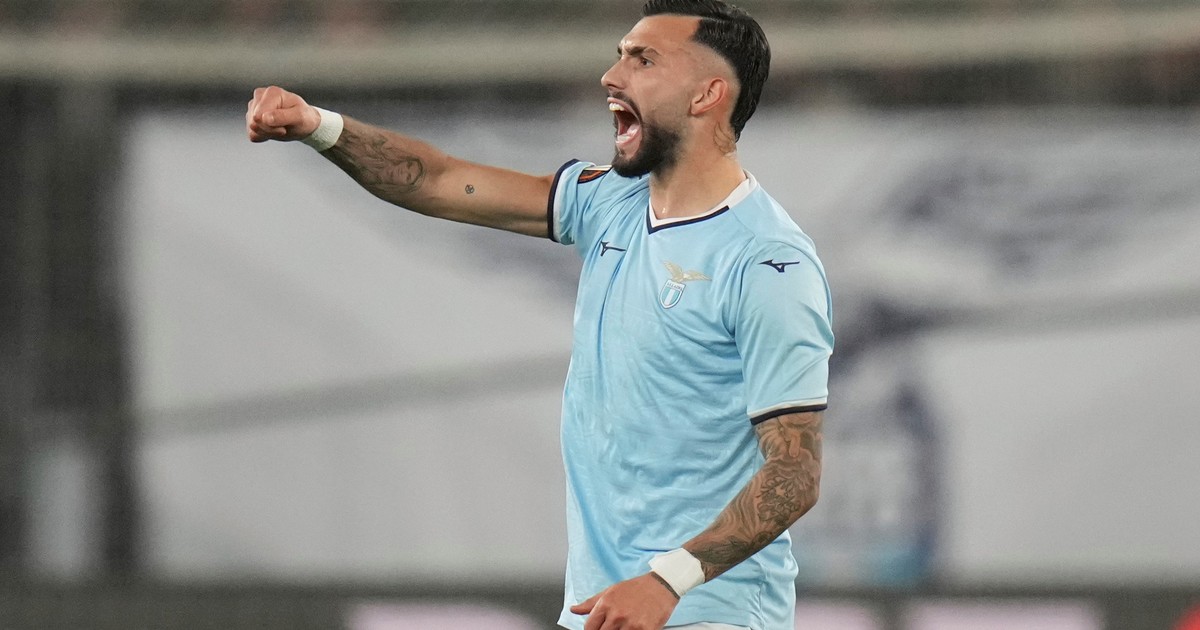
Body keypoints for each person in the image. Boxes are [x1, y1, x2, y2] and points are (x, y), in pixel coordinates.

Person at [245, 1, 832, 628]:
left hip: (705, 612)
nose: (612, 76)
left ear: (707, 94)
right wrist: (319, 126)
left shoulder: (767, 262)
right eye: (619, 56)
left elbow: (795, 473)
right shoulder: (609, 199)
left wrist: (668, 581)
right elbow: (438, 181)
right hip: (603, 609)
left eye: (643, 60)